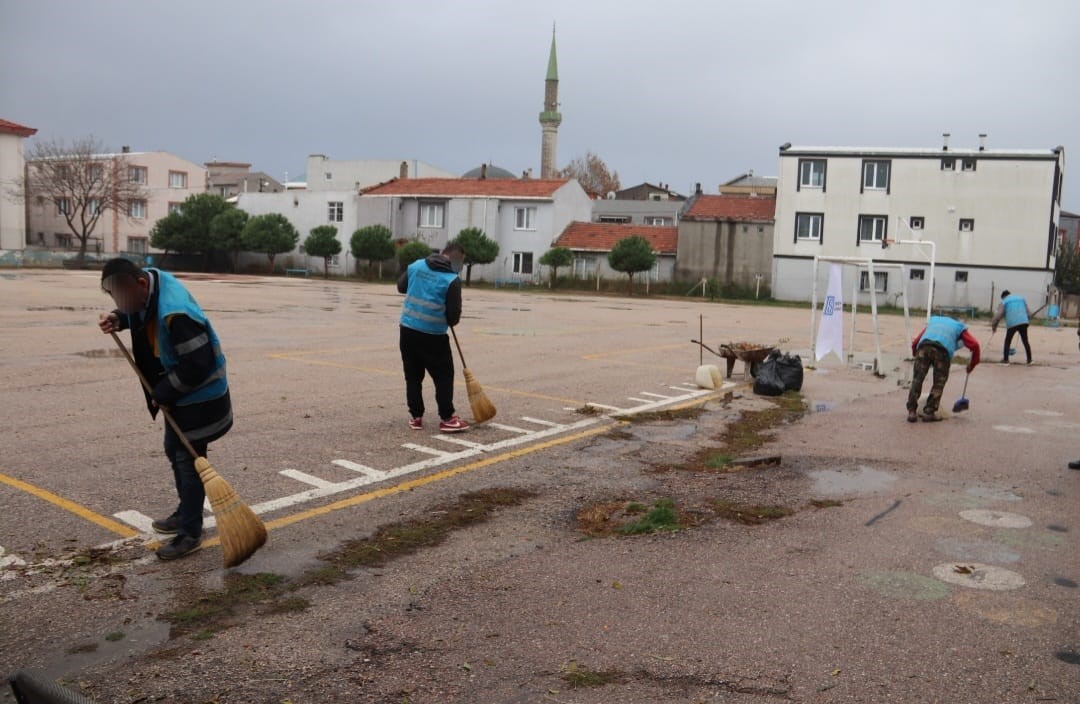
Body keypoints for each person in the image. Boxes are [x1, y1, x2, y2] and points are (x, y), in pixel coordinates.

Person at [97, 258, 232, 560]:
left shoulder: (176, 313)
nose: (119, 301)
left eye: (122, 295)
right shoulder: (151, 287)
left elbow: (198, 364)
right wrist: (119, 318)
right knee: (175, 451)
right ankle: (186, 512)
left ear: (140, 284)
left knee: (188, 462)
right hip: (181, 396)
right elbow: (142, 313)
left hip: (200, 398)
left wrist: (162, 391)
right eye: (113, 297)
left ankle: (190, 533)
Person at [397, 242, 469, 433]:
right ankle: (447, 418)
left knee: (413, 376)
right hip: (433, 336)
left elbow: (401, 287)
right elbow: (453, 317)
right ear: (455, 258)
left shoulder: (416, 266)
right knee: (444, 376)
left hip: (408, 330)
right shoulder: (451, 279)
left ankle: (416, 417)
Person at [907, 315, 980, 422]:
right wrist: (972, 365)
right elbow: (975, 345)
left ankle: (912, 412)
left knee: (917, 379)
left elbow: (916, 341)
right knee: (938, 383)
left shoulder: (934, 322)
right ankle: (929, 412)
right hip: (942, 351)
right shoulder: (959, 327)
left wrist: (915, 354)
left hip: (924, 346)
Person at [991, 290, 1032, 365]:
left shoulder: (1004, 301)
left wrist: (994, 326)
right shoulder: (1021, 299)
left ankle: (1006, 360)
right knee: (1025, 341)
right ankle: (1030, 360)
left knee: (1007, 341)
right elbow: (1029, 313)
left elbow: (998, 316)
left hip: (1012, 323)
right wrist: (1027, 319)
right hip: (1023, 322)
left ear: (1003, 297)